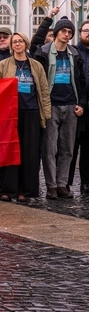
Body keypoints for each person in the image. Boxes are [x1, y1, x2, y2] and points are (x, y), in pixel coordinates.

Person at [0, 33, 51, 202]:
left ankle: (25, 190)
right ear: (11, 45)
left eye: (20, 41)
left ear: (26, 44)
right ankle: (8, 189)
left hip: (31, 112)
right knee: (10, 152)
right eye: (14, 42)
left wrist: (46, 114)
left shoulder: (36, 66)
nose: (17, 44)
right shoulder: (3, 65)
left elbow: (44, 90)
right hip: (10, 115)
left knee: (29, 153)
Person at [34, 17, 86, 199]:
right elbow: (35, 42)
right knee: (49, 148)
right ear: (56, 32)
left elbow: (81, 82)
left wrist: (82, 104)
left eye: (70, 32)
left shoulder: (75, 54)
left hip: (71, 104)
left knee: (68, 148)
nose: (67, 35)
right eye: (64, 31)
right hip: (51, 104)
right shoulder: (44, 52)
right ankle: (51, 185)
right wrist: (48, 18)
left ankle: (62, 184)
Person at [72, 20, 89, 194]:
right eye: (86, 30)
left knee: (87, 148)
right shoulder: (74, 52)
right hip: (77, 105)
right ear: (80, 33)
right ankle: (66, 183)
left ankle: (86, 182)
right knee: (71, 146)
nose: (88, 33)